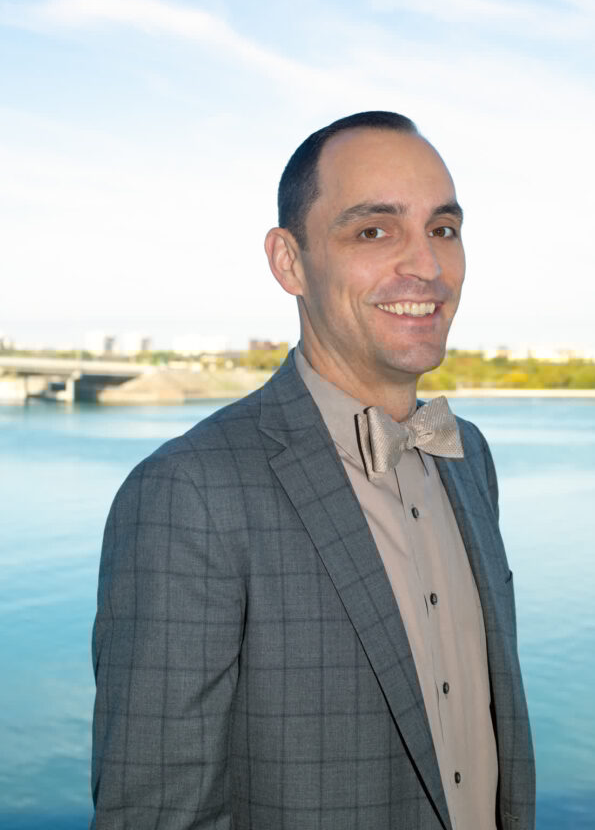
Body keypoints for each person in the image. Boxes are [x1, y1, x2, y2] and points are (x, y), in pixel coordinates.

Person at [91, 110, 535, 830]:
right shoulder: (189, 492)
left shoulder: (469, 458)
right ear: (289, 261)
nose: (426, 266)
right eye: (373, 231)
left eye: (443, 229)